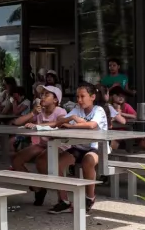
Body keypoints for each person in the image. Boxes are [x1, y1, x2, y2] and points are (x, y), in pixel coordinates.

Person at [47, 83, 110, 214]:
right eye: (77, 97)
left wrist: (71, 125)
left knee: (88, 160)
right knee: (57, 164)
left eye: (82, 96)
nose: (79, 100)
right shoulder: (77, 109)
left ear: (92, 97)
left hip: (97, 148)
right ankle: (64, 201)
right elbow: (61, 120)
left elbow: (92, 125)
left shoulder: (99, 110)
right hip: (79, 147)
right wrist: (71, 117)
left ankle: (90, 197)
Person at [11, 85, 67, 206]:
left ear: (55, 100)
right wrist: (32, 113)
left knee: (42, 160)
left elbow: (61, 122)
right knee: (16, 159)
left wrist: (38, 125)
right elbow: (16, 122)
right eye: (42, 94)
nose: (42, 97)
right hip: (43, 144)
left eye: (47, 95)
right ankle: (37, 187)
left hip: (59, 145)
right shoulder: (39, 112)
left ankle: (62, 199)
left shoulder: (60, 111)